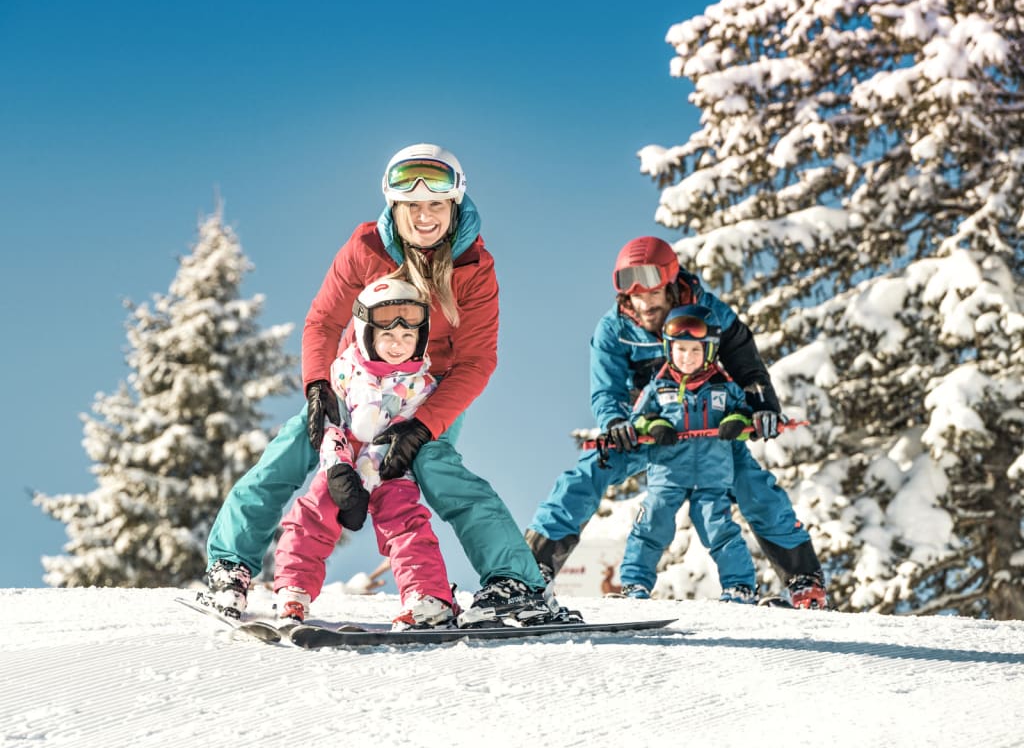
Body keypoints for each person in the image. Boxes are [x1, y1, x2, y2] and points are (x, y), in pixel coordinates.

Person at [206, 143, 575, 627]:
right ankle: (230, 563)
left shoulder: (474, 270)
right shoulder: (365, 250)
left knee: (438, 469)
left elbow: (477, 360)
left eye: (436, 205)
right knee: (292, 450)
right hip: (354, 381)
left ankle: (516, 583)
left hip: (425, 391)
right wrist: (319, 389)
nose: (425, 216)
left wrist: (422, 427)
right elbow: (322, 322)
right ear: (394, 208)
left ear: (454, 206)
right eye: (412, 206)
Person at [525, 236, 828, 609]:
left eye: (652, 291)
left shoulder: (710, 313)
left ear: (669, 283)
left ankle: (804, 583)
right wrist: (617, 423)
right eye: (632, 292)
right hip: (652, 431)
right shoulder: (614, 329)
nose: (643, 302)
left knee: (757, 489)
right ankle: (530, 570)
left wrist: (762, 407)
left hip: (711, 428)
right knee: (585, 475)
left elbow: (747, 366)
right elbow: (606, 390)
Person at [273, 277, 457, 631]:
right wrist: (340, 469)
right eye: (388, 335)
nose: (398, 345)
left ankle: (427, 597)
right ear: (366, 332)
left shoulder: (422, 385)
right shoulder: (343, 371)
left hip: (389, 466)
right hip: (342, 460)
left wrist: (369, 476)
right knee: (314, 511)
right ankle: (293, 588)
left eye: (408, 337)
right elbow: (333, 424)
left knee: (405, 523)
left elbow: (401, 432)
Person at [617, 304, 759, 604]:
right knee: (652, 522)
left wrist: (737, 421)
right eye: (680, 350)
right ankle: (634, 585)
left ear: (708, 352)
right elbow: (637, 418)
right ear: (670, 350)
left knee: (719, 528)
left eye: (696, 351)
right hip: (668, 473)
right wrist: (654, 425)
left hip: (712, 475)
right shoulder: (659, 387)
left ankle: (740, 587)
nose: (687, 358)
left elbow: (746, 413)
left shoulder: (724, 387)